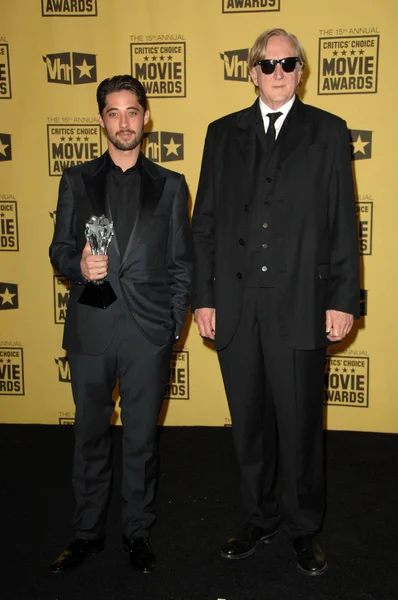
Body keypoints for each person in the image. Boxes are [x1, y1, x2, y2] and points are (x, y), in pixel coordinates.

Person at [192, 28, 359, 576]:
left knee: (300, 424)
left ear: (302, 69)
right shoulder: (221, 134)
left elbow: (342, 225)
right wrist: (204, 297)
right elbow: (207, 223)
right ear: (252, 70)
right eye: (268, 64)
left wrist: (343, 300)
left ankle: (303, 526)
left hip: (301, 303)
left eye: (289, 63)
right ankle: (258, 517)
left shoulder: (328, 133)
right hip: (237, 304)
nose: (279, 72)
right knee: (250, 422)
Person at [49, 75, 192, 574]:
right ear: (101, 120)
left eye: (132, 111)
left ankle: (137, 532)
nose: (124, 121)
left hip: (148, 334)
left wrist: (172, 327)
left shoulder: (172, 186)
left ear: (146, 116)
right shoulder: (76, 180)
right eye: (113, 112)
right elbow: (59, 246)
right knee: (89, 435)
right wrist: (76, 266)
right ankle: (86, 532)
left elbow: (181, 265)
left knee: (141, 441)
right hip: (91, 328)